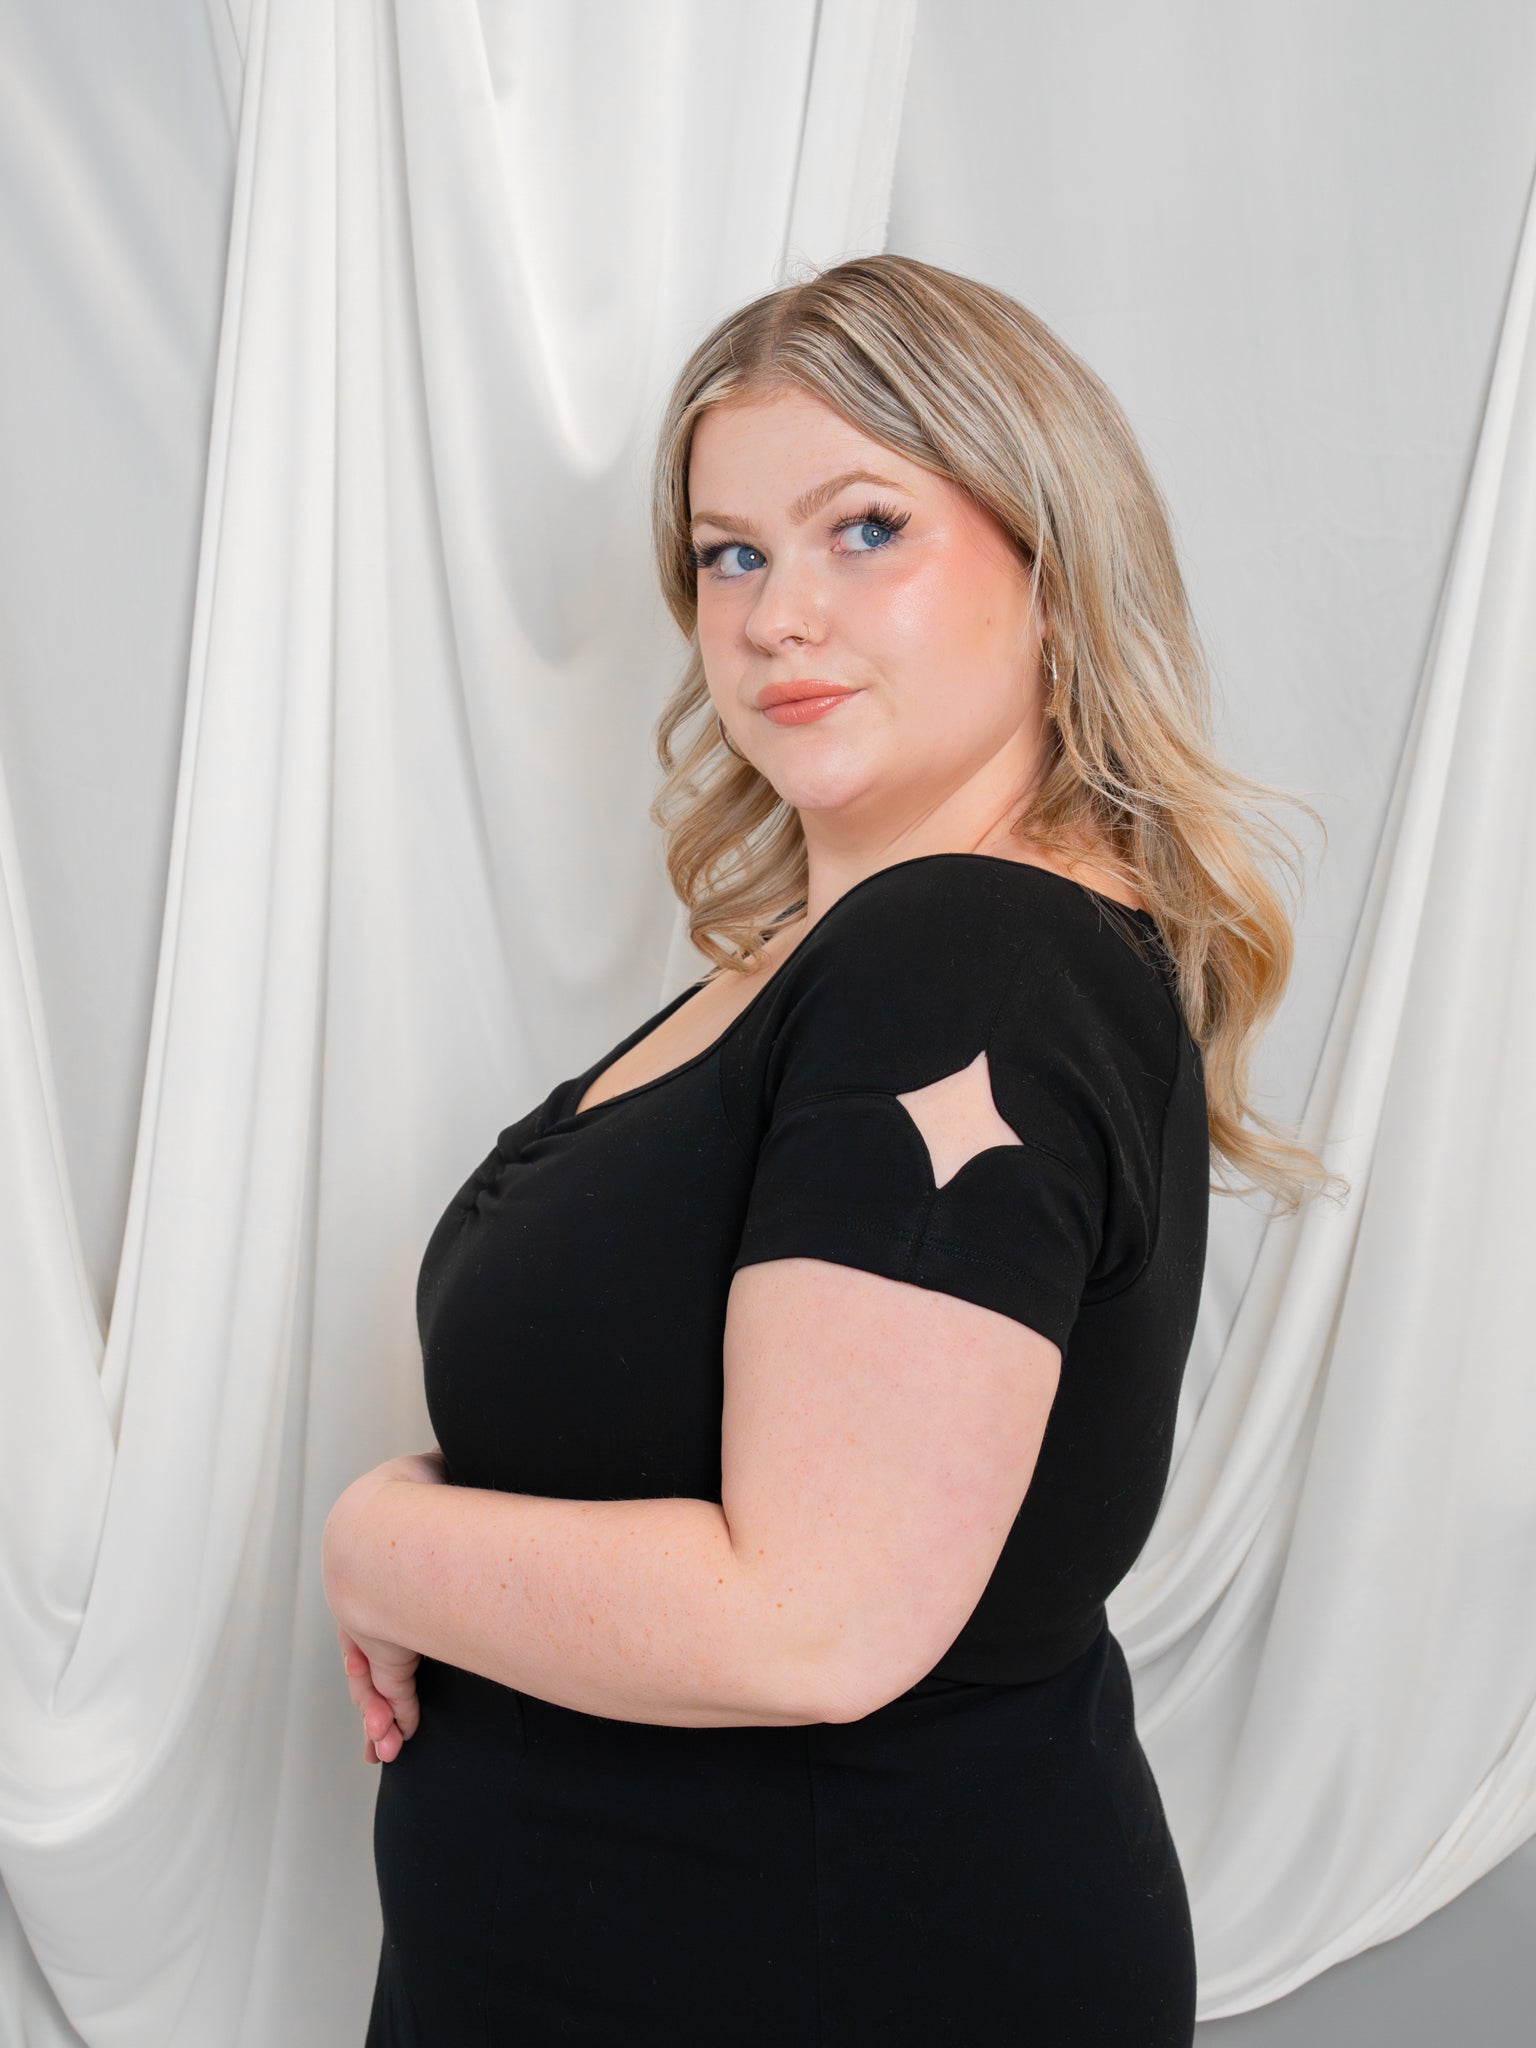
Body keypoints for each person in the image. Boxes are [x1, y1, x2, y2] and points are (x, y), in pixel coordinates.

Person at [322, 252, 1332, 2045]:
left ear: (1049, 566)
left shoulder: (968, 957)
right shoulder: (838, 963)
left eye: (867, 529)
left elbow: (812, 1624)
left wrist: (377, 1540)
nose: (780, 615)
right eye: (731, 554)